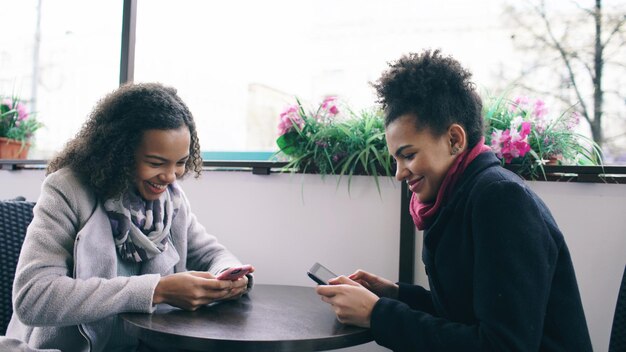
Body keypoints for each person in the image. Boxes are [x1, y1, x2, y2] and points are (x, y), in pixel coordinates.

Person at [315, 50, 593, 351]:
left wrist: (377, 314)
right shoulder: (460, 197)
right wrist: (394, 296)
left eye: (408, 155)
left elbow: (502, 345)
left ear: (454, 140)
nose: (398, 173)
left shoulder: (501, 200)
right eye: (396, 159)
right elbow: (465, 315)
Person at [6, 82, 254, 351]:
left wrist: (228, 277)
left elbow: (211, 254)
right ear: (120, 153)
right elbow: (34, 297)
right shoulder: (67, 190)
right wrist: (156, 290)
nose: (170, 177)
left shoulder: (171, 201)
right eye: (156, 163)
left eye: (180, 162)